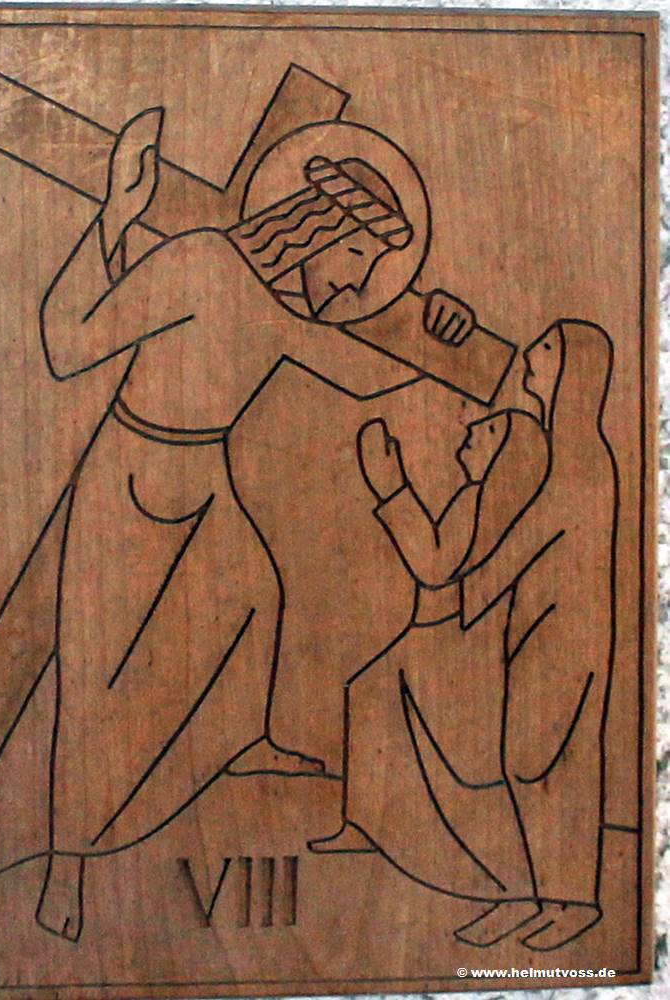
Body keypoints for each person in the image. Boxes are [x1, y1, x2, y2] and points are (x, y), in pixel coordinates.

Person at [36, 107, 478, 941]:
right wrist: (114, 218)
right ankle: (66, 870)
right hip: (129, 473)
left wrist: (437, 326)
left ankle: (243, 739)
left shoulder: (286, 312)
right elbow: (68, 344)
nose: (360, 282)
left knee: (253, 599)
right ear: (319, 228)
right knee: (94, 673)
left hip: (207, 474)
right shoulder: (199, 260)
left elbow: (363, 373)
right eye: (358, 256)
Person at [312, 320, 617, 954]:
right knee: (522, 762)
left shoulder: (579, 460)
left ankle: (568, 901)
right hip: (531, 630)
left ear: (574, 375)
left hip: (567, 634)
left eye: (548, 349)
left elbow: (525, 543)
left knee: (546, 763)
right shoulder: (551, 448)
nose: (532, 355)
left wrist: (465, 592)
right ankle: (528, 895)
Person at [309, 410, 548, 903]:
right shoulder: (474, 498)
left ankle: (500, 867)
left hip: (451, 643)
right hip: (430, 631)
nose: (470, 430)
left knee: (448, 750)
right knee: (368, 693)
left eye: (488, 431)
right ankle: (364, 823)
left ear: (507, 458)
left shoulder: (488, 505)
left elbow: (434, 564)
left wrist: (392, 487)